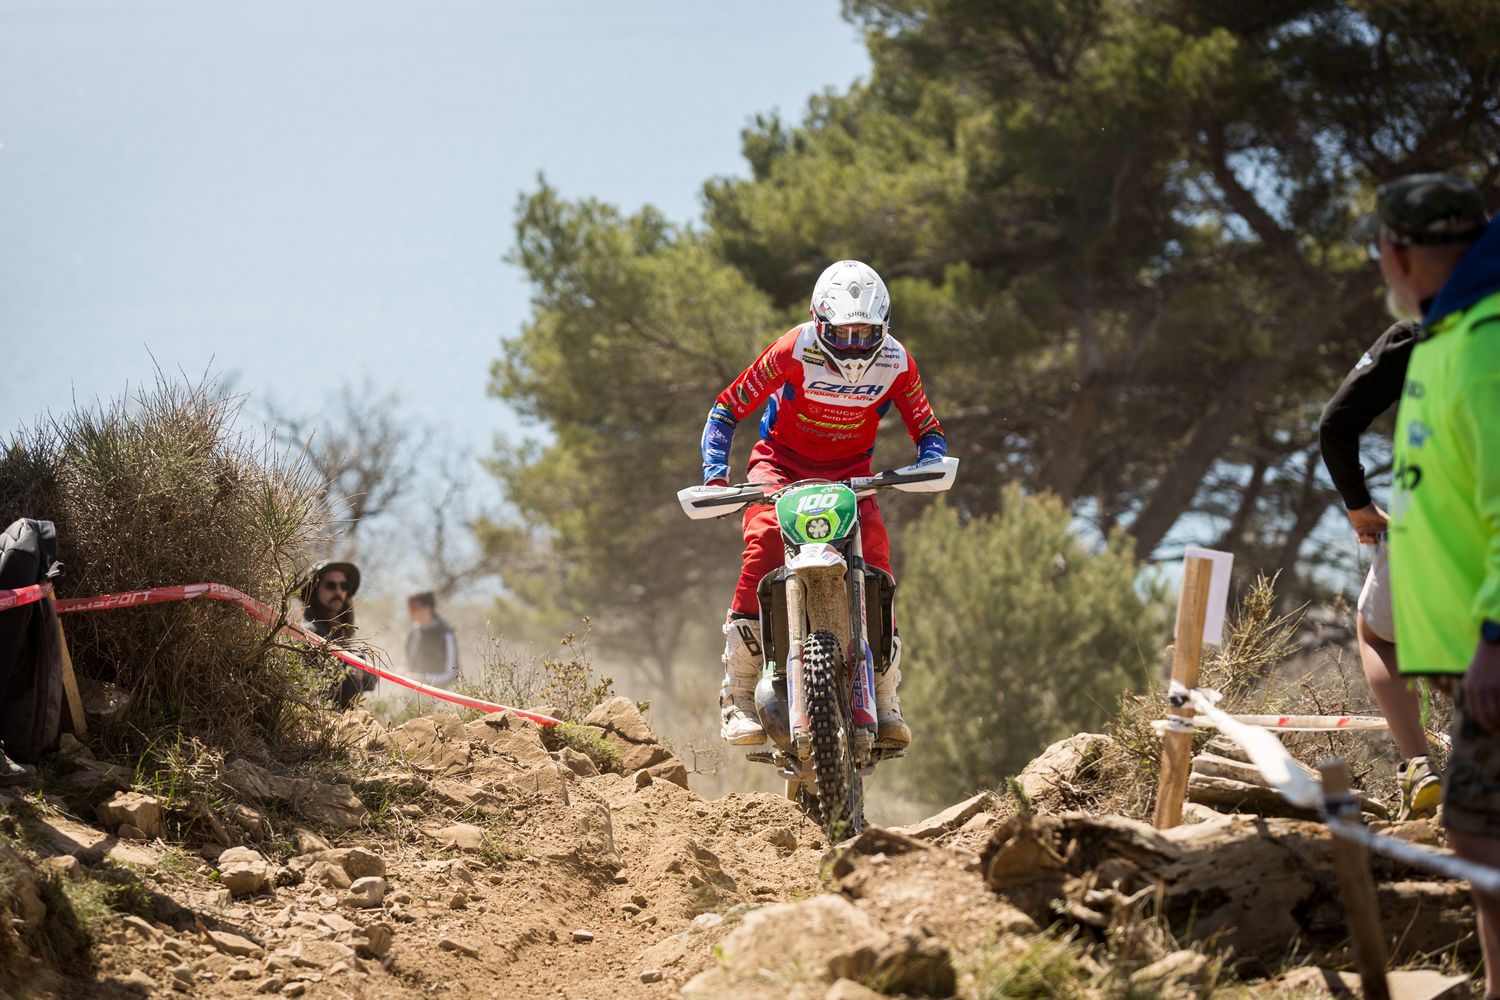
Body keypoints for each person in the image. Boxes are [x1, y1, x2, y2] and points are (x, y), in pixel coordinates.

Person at [699, 259, 947, 749]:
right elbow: (727, 408)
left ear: (884, 327)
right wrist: (715, 476)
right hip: (780, 465)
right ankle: (738, 693)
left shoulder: (897, 362)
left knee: (877, 554)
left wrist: (930, 462)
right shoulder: (794, 348)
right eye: (842, 333)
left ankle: (884, 693)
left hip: (852, 475)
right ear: (819, 321)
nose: (853, 345)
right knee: (766, 542)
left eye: (865, 333)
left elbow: (929, 429)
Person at [1362, 171, 1500, 993]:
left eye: (1380, 249)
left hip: (1491, 656)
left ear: (1402, 253)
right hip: (1467, 659)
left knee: (1483, 840)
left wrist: (1494, 638)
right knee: (1477, 837)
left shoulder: (1485, 343)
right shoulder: (1447, 336)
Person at [1317, 318, 1441, 819]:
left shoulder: (1423, 330)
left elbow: (1334, 423)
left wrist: (1358, 504)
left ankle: (1419, 766)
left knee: (1378, 635)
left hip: (1437, 516)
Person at [296, 560, 374, 709]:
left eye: (344, 586)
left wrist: (360, 667)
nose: (338, 592)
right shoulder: (308, 631)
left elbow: (373, 679)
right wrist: (351, 668)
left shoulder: (341, 632)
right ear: (315, 590)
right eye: (331, 585)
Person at [405, 591, 458, 686]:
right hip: (414, 690)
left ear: (427, 609)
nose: (410, 612)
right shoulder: (414, 631)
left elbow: (451, 673)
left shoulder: (445, 634)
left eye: (413, 608)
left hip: (440, 691)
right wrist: (405, 671)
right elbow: (410, 663)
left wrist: (424, 678)